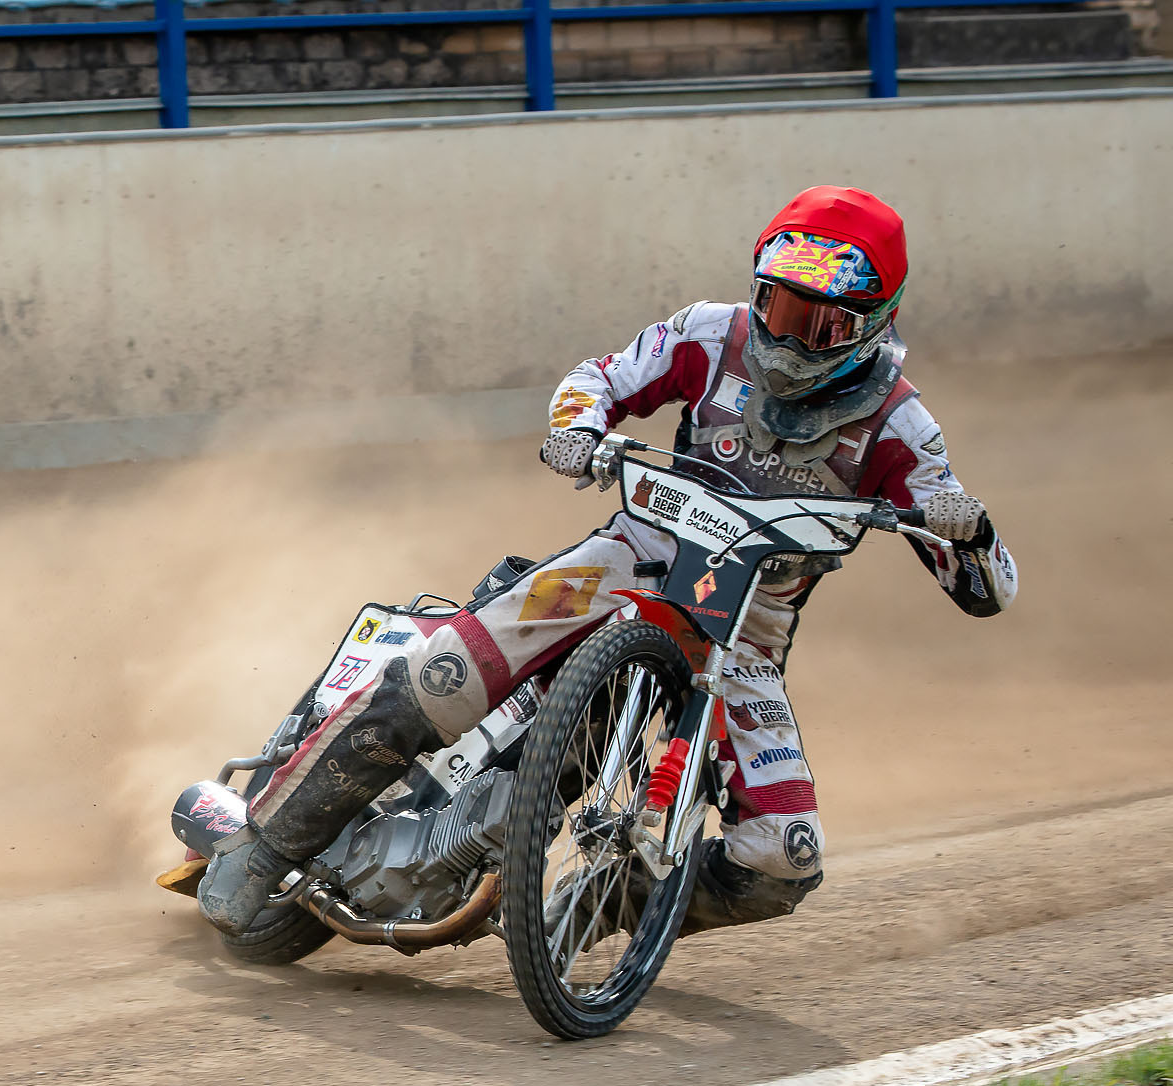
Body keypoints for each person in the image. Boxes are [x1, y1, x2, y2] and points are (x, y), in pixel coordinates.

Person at [198, 185, 1018, 940]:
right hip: (629, 556)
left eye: (820, 324)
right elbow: (601, 377)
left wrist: (970, 533)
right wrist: (579, 427)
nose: (786, 334)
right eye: (778, 304)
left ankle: (604, 905)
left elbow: (987, 588)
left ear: (875, 321)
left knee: (784, 855)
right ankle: (261, 850)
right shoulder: (711, 332)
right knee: (444, 673)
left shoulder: (902, 429)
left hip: (746, 633)